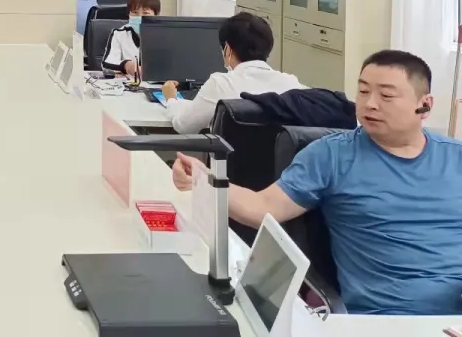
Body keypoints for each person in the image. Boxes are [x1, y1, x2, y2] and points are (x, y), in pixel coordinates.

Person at [172, 50, 462, 316]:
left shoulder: (455, 157)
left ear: (425, 105)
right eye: (363, 91)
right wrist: (203, 178)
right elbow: (262, 206)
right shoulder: (331, 156)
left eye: (386, 95)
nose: (370, 103)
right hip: (385, 318)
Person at [160, 12, 302, 134]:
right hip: (280, 158)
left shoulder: (221, 84)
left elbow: (184, 125)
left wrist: (171, 99)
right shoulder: (292, 84)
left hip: (230, 159)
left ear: (227, 49)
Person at [101, 0, 160, 76]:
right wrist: (126, 65)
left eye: (146, 13)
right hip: (129, 82)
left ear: (156, 15)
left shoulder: (164, 35)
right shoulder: (119, 33)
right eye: (135, 12)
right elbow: (107, 63)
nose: (139, 17)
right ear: (129, 14)